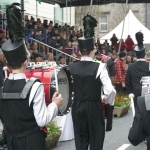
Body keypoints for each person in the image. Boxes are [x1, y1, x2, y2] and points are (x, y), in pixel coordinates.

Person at [0, 3, 63, 150]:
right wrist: (55, 105)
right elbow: (41, 120)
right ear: (26, 61)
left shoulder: (2, 87)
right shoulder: (35, 86)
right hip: (32, 142)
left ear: (7, 64)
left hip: (12, 142)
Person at [69, 13, 116, 150]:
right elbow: (110, 90)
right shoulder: (100, 66)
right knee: (96, 140)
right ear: (92, 50)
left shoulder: (70, 66)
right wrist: (108, 101)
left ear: (79, 51)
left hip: (77, 106)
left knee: (81, 140)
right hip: (94, 106)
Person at [126, 31, 150, 108]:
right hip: (148, 92)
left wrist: (130, 92)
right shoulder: (148, 64)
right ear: (144, 55)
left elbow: (128, 81)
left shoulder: (131, 66)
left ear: (136, 55)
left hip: (136, 92)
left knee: (138, 112)